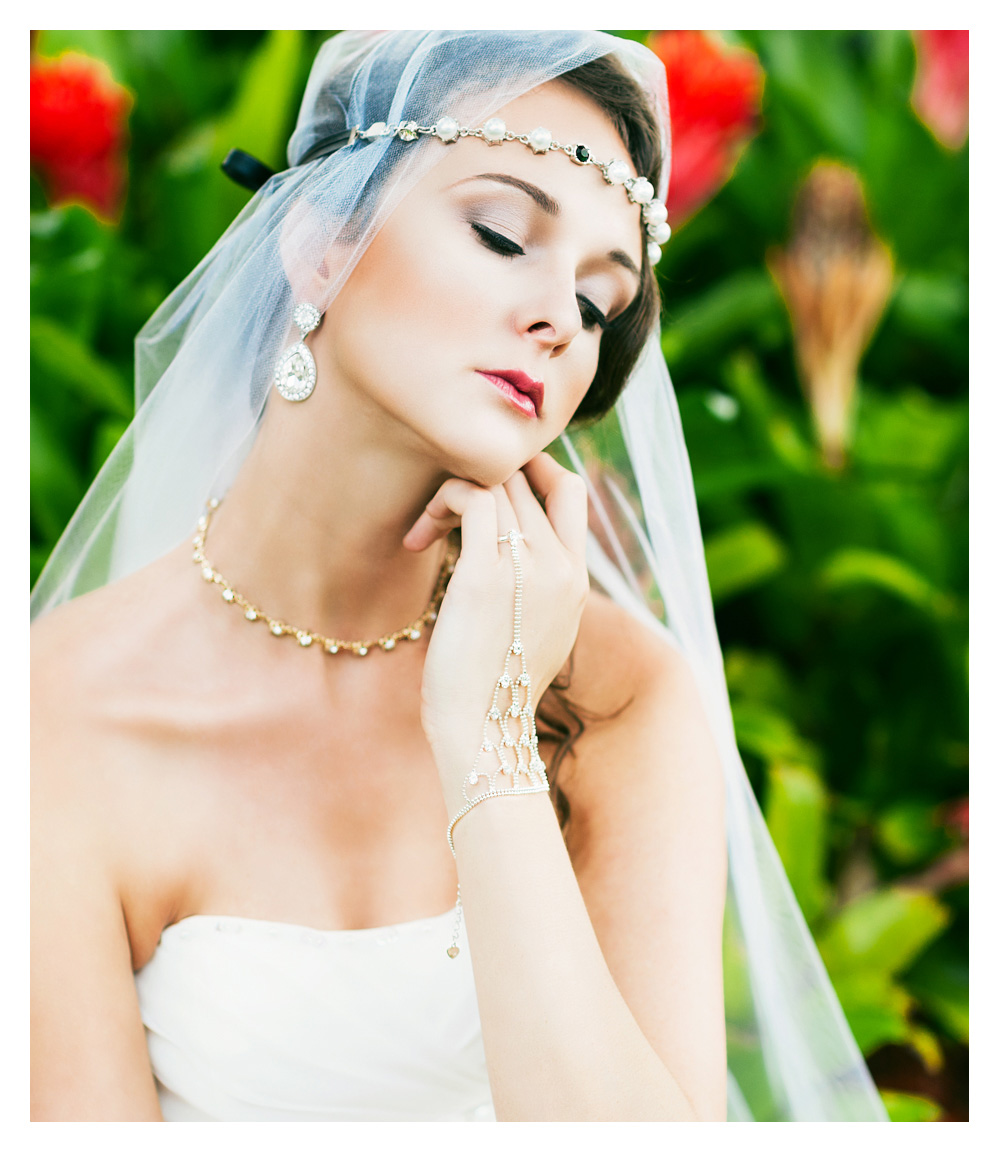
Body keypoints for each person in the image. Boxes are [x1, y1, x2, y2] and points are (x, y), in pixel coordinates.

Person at [30, 31, 888, 1122]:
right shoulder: (54, 712)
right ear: (323, 244)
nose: (555, 322)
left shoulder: (621, 699)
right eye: (500, 232)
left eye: (597, 304)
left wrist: (487, 736)